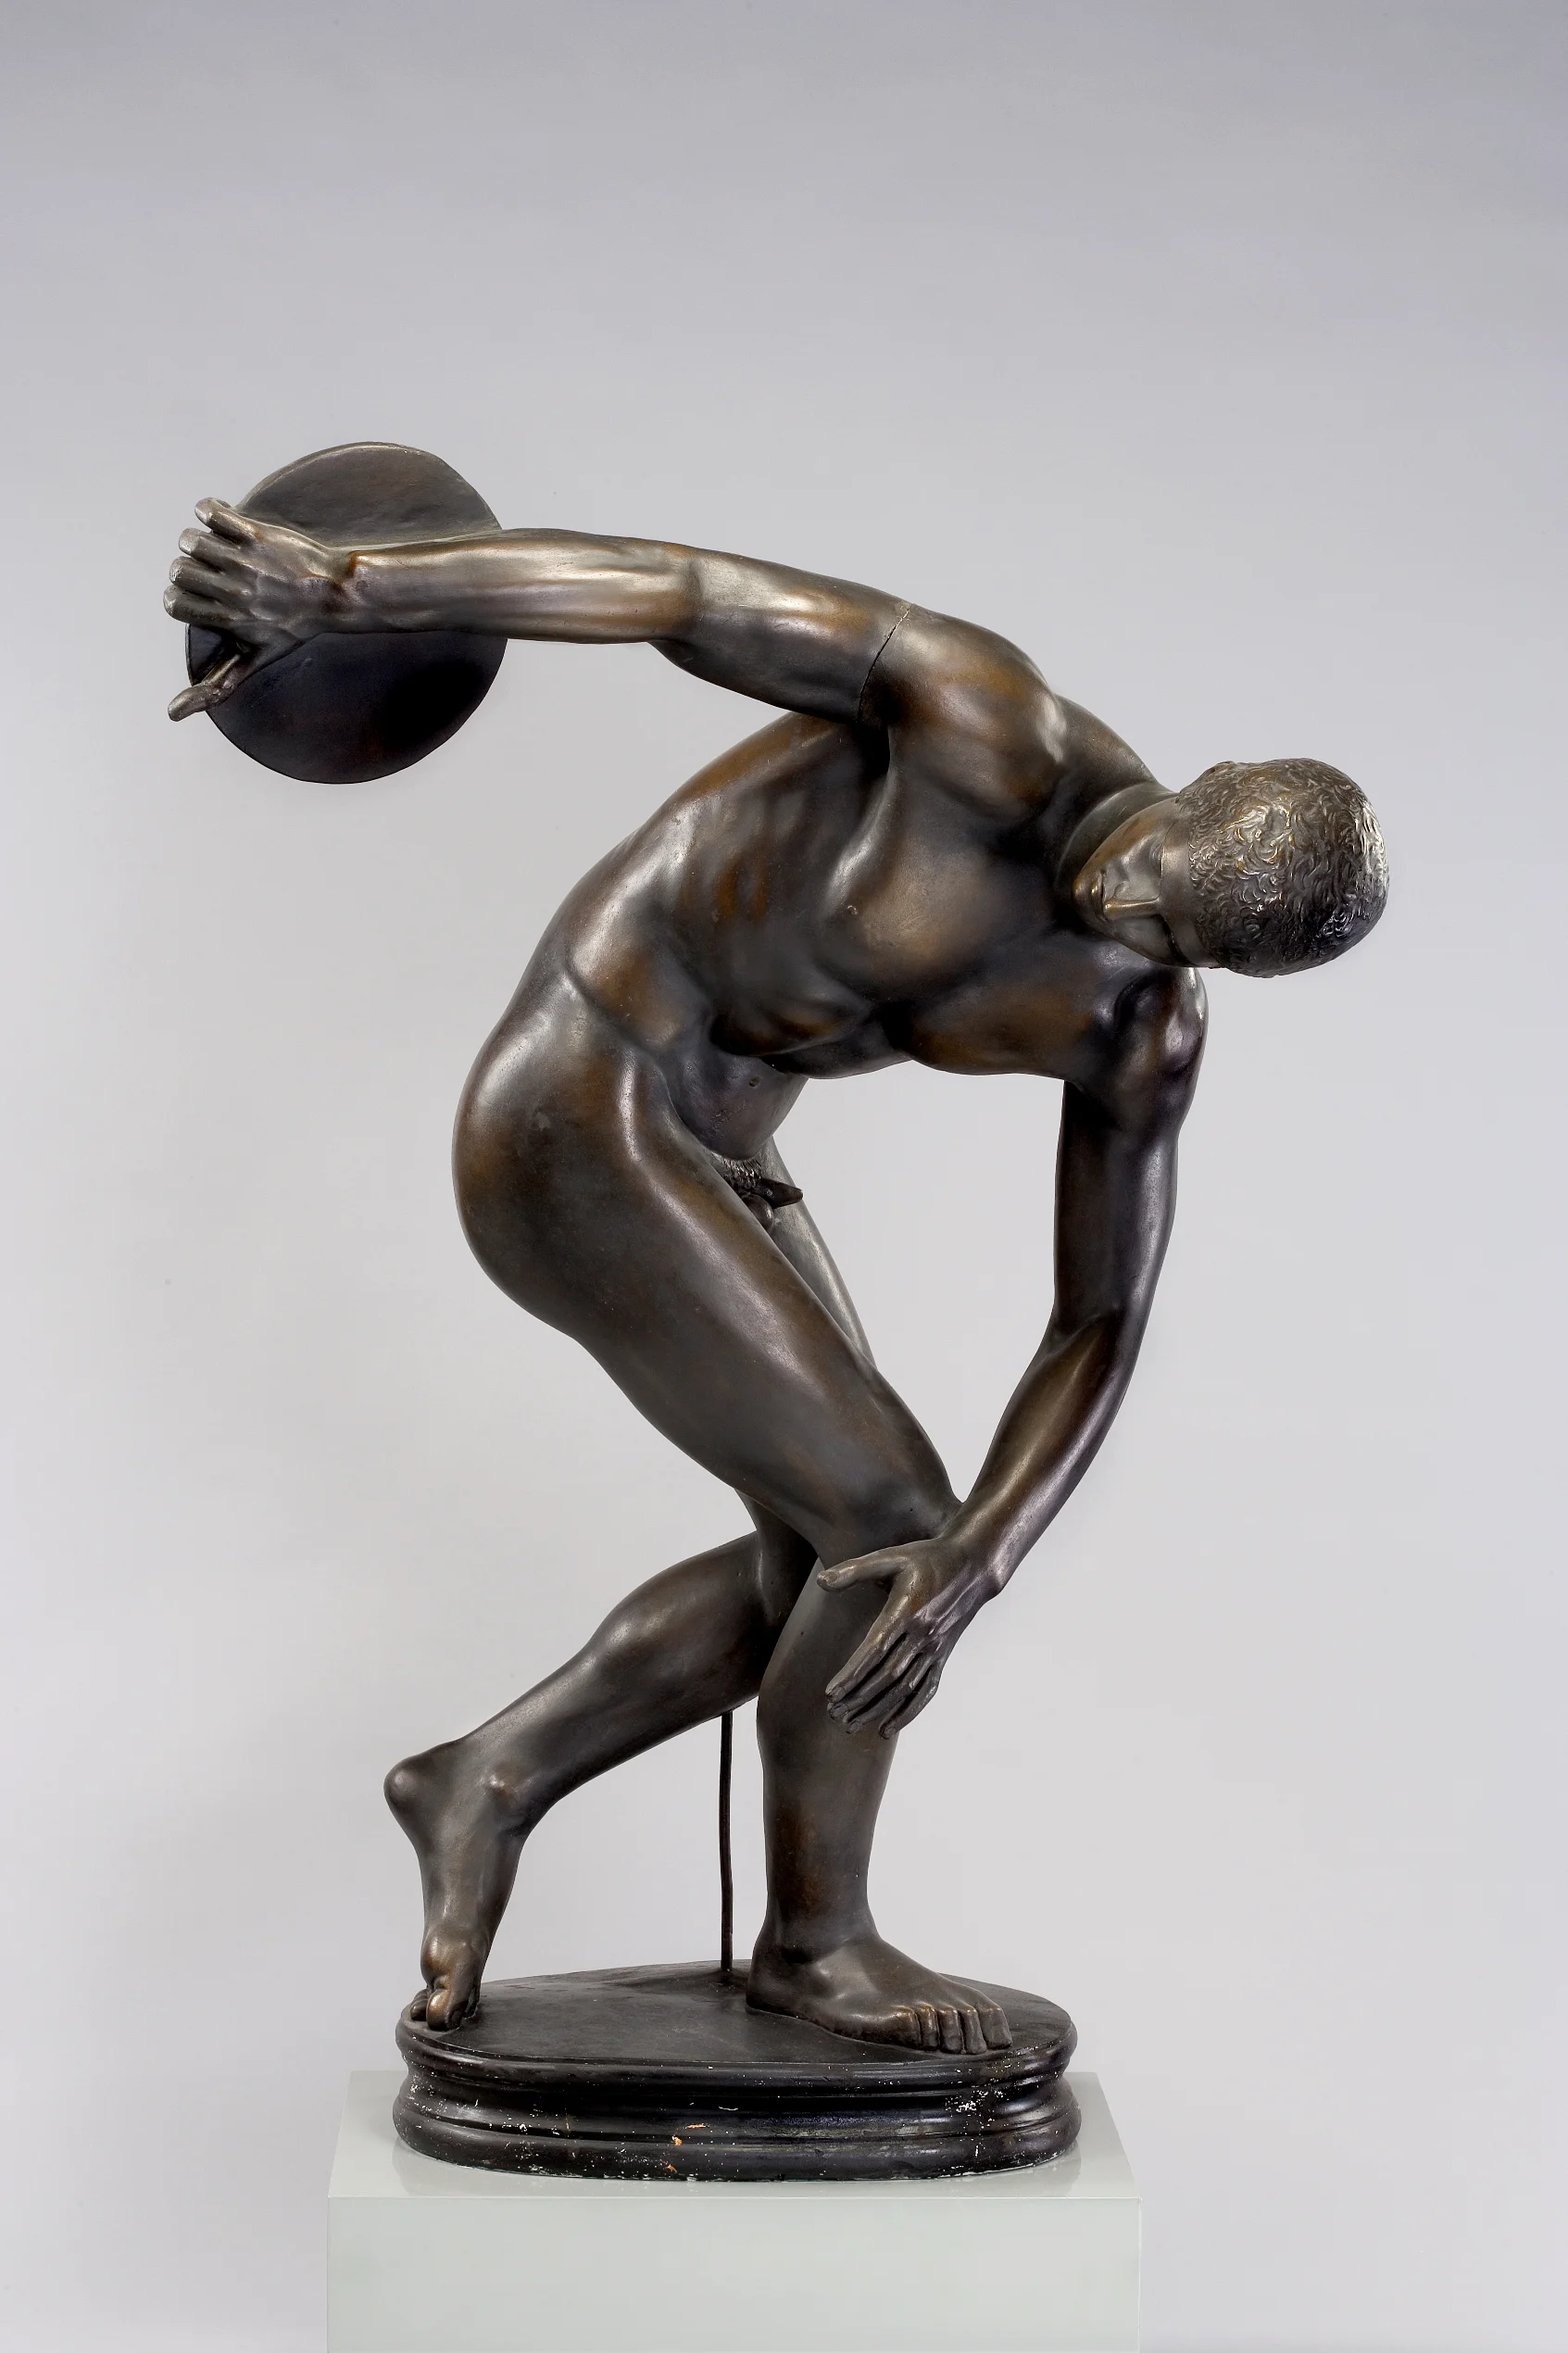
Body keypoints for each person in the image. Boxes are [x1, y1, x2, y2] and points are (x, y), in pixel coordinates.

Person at [166, 504, 1387, 2056]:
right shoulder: (985, 724)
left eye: (1177, 935)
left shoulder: (1139, 1021)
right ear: (1196, 788)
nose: (1123, 911)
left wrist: (987, 1562)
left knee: (852, 1568)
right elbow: (683, 594)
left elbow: (1100, 1316)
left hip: (720, 1157)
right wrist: (354, 585)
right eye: (1152, 871)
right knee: (883, 1526)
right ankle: (816, 1946)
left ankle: (487, 1775)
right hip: (580, 1100)